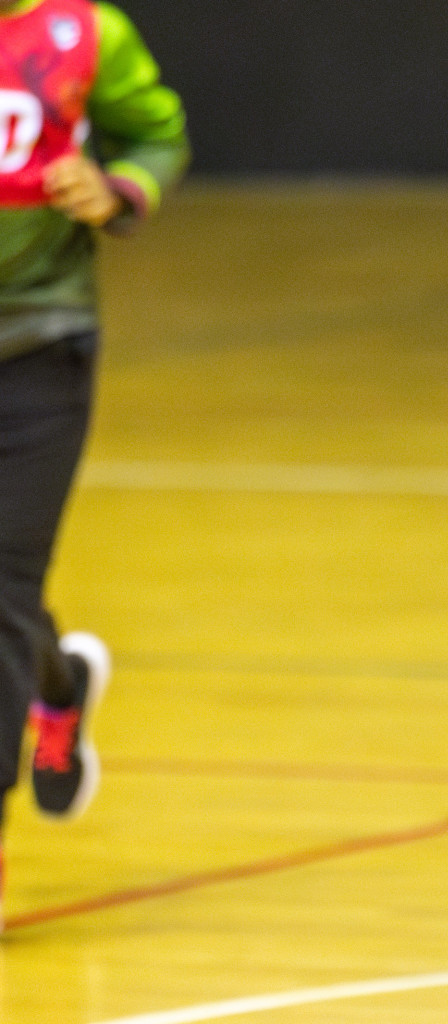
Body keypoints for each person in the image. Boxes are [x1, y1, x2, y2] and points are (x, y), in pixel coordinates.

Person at [0, 0, 188, 929]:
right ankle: (60, 687)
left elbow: (158, 136)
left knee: (1, 584)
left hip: (43, 341)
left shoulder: (82, 32)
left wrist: (115, 188)